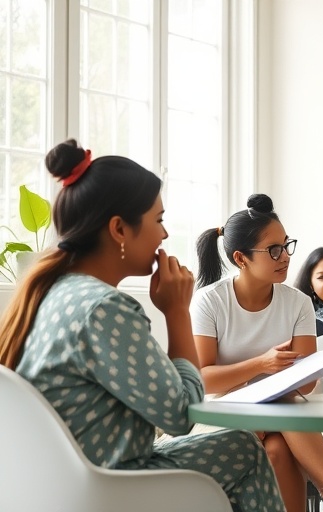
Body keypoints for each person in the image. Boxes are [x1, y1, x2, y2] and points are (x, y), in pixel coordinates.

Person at [0, 140, 286, 512]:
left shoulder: (51, 293)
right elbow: (182, 414)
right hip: (106, 485)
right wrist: (177, 311)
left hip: (56, 486)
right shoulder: (105, 308)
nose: (165, 236)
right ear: (119, 229)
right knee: (244, 448)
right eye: (159, 220)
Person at [192, 194, 323, 512]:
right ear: (241, 258)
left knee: (278, 448)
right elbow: (205, 380)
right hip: (223, 413)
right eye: (274, 250)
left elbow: (303, 386)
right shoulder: (210, 301)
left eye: (287, 245)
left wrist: (276, 378)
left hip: (281, 415)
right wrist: (263, 364)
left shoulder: (297, 302)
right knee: (282, 411)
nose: (285, 256)